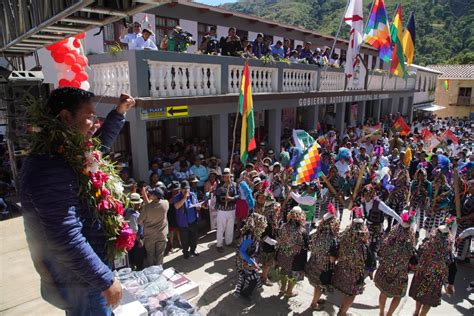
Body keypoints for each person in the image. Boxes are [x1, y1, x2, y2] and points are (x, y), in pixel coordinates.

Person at [21, 87, 135, 314]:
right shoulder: (50, 167)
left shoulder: (67, 153)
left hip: (84, 278)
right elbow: (65, 236)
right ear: (65, 117)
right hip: (81, 284)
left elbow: (97, 148)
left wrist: (119, 113)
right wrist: (104, 279)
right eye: (90, 116)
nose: (96, 122)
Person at [409, 216, 457, 316]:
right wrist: (450, 283)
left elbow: (418, 254)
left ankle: (417, 312)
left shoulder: (428, 242)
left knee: (420, 294)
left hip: (422, 273)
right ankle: (422, 314)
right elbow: (452, 266)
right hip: (436, 278)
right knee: (429, 299)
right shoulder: (448, 248)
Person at [332, 207, 376, 316]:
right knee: (351, 294)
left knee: (345, 292)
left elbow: (335, 252)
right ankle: (342, 313)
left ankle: (342, 310)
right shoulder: (363, 246)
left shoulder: (343, 239)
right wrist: (371, 272)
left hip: (341, 270)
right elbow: (370, 261)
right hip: (355, 275)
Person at [375, 210, 417, 316]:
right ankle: (389, 314)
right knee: (398, 295)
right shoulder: (411, 234)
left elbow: (383, 246)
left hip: (387, 267)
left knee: (383, 292)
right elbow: (412, 252)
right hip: (401, 270)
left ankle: (381, 312)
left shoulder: (394, 229)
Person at [305, 203, 340, 311]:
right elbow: (332, 258)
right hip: (324, 268)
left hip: (313, 264)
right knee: (319, 286)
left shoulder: (317, 233)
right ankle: (314, 304)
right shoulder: (332, 239)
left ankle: (316, 299)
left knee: (317, 285)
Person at [276, 206, 309, 298]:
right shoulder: (303, 232)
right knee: (293, 275)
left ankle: (282, 288)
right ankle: (289, 291)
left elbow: (278, 243)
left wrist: (276, 257)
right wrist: (304, 265)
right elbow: (305, 250)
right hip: (296, 260)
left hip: (282, 256)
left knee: (283, 271)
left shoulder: (283, 226)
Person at [234, 212, 268, 301]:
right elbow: (242, 252)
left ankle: (242, 290)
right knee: (253, 278)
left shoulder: (253, 233)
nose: (263, 227)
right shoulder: (249, 236)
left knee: (245, 276)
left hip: (247, 259)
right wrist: (252, 263)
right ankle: (245, 293)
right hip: (244, 260)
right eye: (261, 225)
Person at [138, 187, 169, 266]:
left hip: (150, 236)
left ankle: (151, 271)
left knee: (150, 255)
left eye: (151, 194)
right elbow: (153, 206)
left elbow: (140, 221)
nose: (149, 194)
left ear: (155, 196)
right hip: (162, 234)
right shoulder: (166, 203)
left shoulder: (147, 207)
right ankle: (159, 270)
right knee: (160, 254)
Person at [174, 180, 200, 259]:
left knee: (194, 238)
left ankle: (193, 250)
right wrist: (184, 197)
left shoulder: (193, 195)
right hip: (183, 223)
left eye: (187, 189)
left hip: (193, 221)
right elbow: (177, 206)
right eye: (184, 189)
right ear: (181, 189)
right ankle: (185, 252)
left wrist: (199, 207)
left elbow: (197, 203)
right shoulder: (177, 197)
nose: (186, 190)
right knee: (184, 240)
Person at [215, 168, 239, 252]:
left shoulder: (234, 185)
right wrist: (224, 198)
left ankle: (229, 242)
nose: (226, 178)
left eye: (228, 176)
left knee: (230, 226)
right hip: (222, 210)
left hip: (231, 209)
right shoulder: (219, 185)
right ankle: (219, 244)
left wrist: (231, 198)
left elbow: (237, 196)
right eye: (225, 176)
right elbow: (217, 195)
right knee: (221, 228)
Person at [125, 193, 145, 270]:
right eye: (138, 203)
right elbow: (135, 230)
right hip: (135, 239)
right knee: (138, 257)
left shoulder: (128, 210)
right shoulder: (133, 215)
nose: (140, 204)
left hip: (130, 239)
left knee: (132, 256)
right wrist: (139, 240)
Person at [166, 181, 182, 253]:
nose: (176, 191)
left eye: (177, 189)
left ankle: (180, 243)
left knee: (178, 229)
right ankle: (171, 245)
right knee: (172, 231)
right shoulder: (168, 195)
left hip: (179, 214)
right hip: (171, 214)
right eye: (175, 190)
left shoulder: (180, 195)